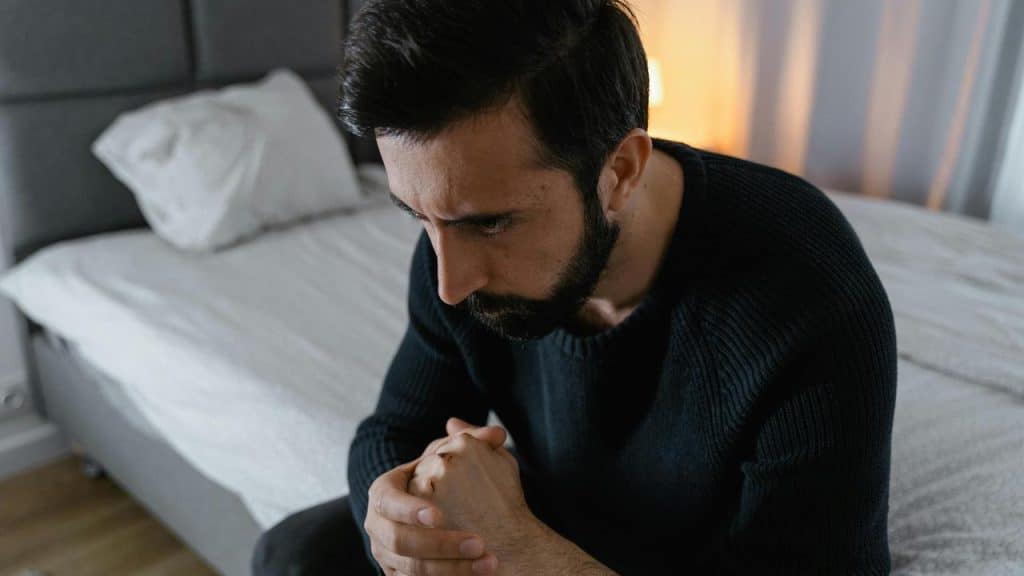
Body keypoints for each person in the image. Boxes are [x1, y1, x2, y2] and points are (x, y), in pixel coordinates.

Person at [253, 0, 898, 574]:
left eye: (491, 222)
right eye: (417, 216)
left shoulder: (812, 298)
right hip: (553, 514)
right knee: (292, 556)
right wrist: (393, 522)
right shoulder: (452, 245)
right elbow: (394, 429)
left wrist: (519, 547)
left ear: (619, 170)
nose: (450, 283)